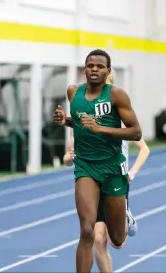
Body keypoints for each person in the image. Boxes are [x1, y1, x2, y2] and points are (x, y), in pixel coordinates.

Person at [53, 49, 142, 273]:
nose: (94, 69)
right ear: (85, 68)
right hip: (86, 167)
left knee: (118, 239)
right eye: (90, 65)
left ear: (108, 71)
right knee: (87, 230)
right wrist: (67, 121)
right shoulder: (74, 92)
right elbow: (83, 124)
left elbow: (136, 133)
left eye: (100, 66)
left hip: (112, 168)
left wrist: (100, 128)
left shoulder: (117, 95)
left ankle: (125, 215)